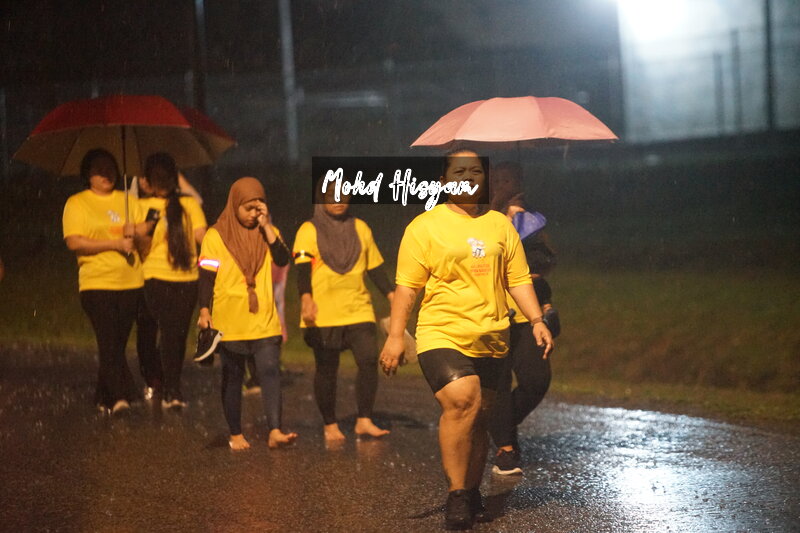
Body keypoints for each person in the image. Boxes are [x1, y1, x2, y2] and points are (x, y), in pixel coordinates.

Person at [380, 149, 554, 530]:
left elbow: (517, 280)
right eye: (459, 171)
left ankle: (472, 490)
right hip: (441, 332)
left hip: (492, 335)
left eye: (476, 170)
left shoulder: (500, 225)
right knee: (463, 400)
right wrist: (395, 336)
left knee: (478, 418)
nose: (469, 177)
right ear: (443, 181)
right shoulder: (424, 227)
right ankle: (457, 493)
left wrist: (536, 320)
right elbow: (407, 287)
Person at [197, 177, 297, 450]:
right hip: (230, 320)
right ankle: (236, 433)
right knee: (233, 377)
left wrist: (267, 227)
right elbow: (206, 276)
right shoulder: (215, 236)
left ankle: (275, 430)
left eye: (258, 207)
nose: (254, 214)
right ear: (235, 205)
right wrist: (204, 310)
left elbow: (282, 259)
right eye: (248, 208)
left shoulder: (268, 233)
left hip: (264, 319)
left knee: (269, 371)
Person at [292, 184, 393, 443]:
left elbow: (375, 267)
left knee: (368, 360)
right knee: (327, 368)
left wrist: (392, 296)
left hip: (358, 308)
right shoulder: (309, 230)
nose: (338, 201)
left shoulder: (361, 228)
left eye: (343, 195)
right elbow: (302, 268)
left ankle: (364, 420)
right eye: (331, 196)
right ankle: (330, 424)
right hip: (323, 312)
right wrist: (306, 298)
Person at [487, 161, 561, 476]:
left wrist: (523, 231)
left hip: (527, 315)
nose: (504, 186)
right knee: (499, 383)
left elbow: (545, 260)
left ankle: (496, 424)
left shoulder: (530, 219)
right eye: (499, 180)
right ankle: (505, 448)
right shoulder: (479, 220)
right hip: (491, 314)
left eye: (510, 180)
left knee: (536, 380)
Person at [62, 148, 148, 414]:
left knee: (117, 344)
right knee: (108, 339)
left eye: (110, 167)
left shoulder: (128, 201)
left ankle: (103, 395)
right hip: (97, 283)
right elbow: (74, 242)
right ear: (87, 174)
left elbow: (147, 237)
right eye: (99, 169)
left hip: (131, 282)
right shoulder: (77, 203)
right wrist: (114, 243)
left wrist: (137, 233)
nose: (106, 173)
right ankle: (119, 397)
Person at [139, 153, 207, 408]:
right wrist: (144, 228)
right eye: (156, 176)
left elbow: (201, 235)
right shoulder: (141, 206)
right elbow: (141, 246)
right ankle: (171, 390)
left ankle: (169, 384)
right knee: (168, 331)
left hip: (187, 277)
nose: (162, 180)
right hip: (156, 276)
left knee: (178, 335)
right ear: (147, 181)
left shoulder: (189, 205)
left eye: (167, 175)